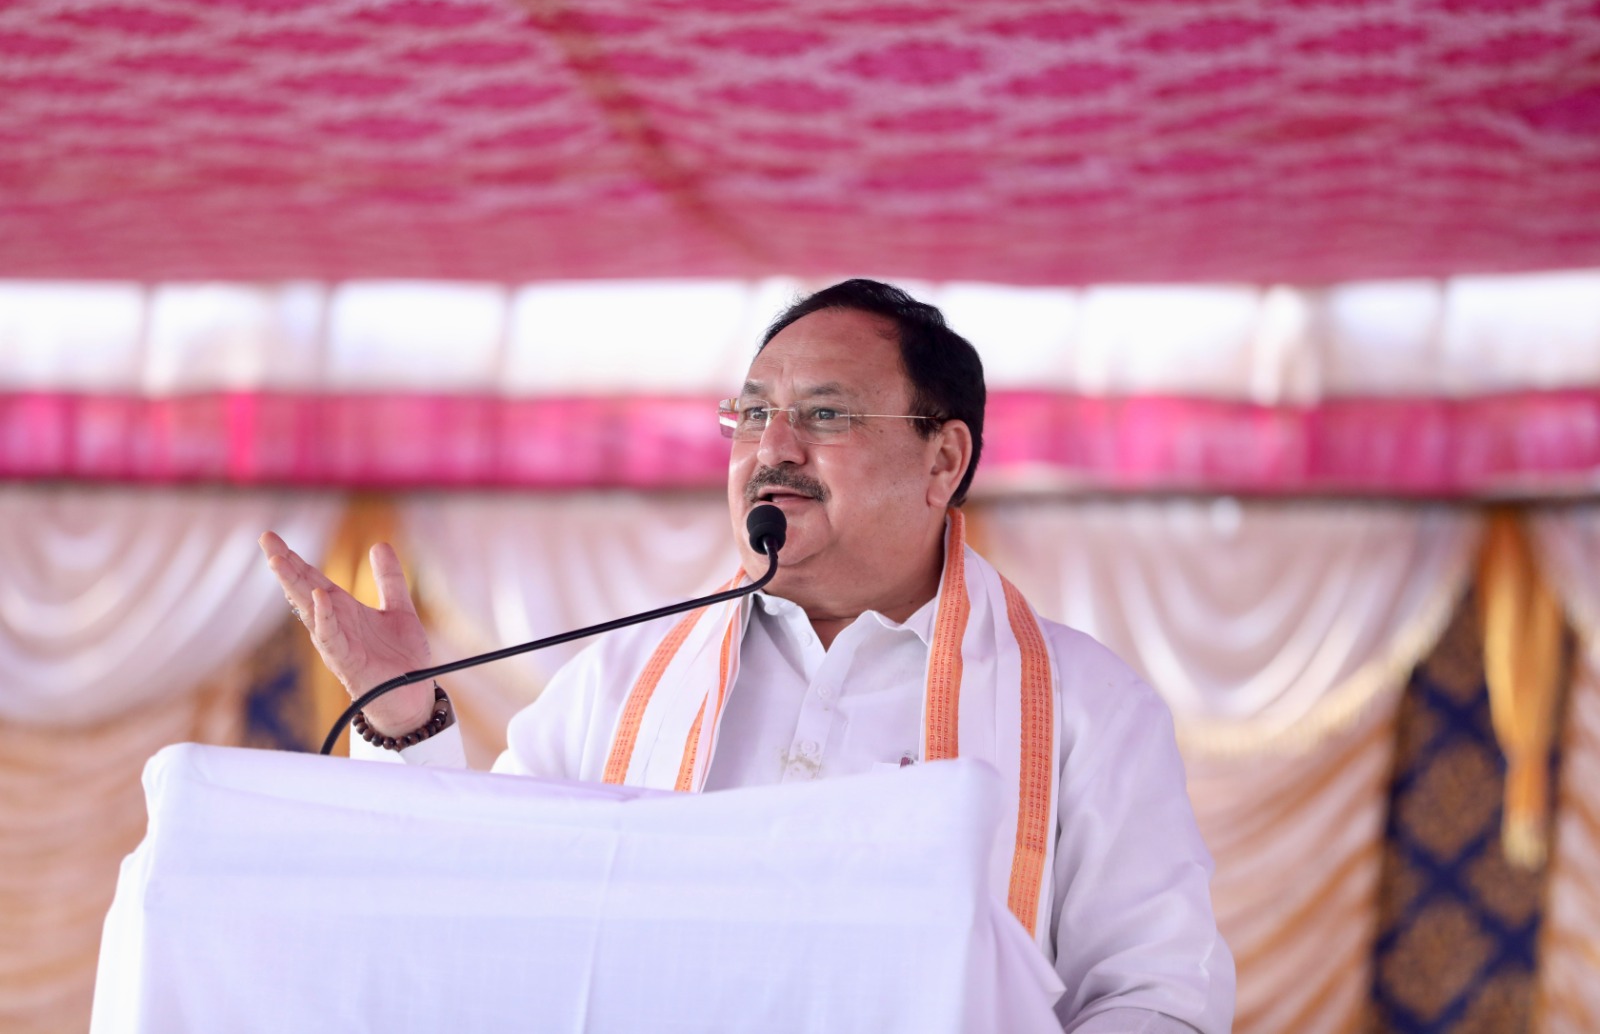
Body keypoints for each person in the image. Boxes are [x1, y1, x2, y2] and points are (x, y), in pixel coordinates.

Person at [260, 279, 1235, 1033]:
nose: (772, 447)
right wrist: (403, 714)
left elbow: (1155, 989)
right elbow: (490, 905)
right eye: (750, 414)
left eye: (823, 414)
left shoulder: (1083, 705)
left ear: (942, 460)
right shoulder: (624, 677)